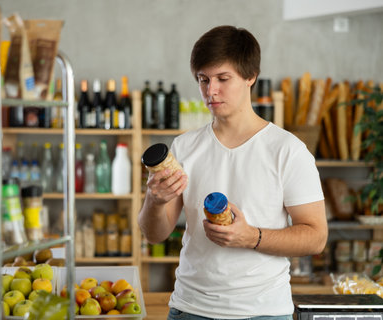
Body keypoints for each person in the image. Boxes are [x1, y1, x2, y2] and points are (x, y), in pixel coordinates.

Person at [138, 25, 328, 319]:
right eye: (203, 80)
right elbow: (154, 234)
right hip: (189, 309)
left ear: (251, 76)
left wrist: (251, 236)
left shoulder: (287, 150)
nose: (210, 90)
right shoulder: (184, 147)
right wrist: (155, 200)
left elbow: (315, 237)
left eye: (223, 79)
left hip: (263, 312)